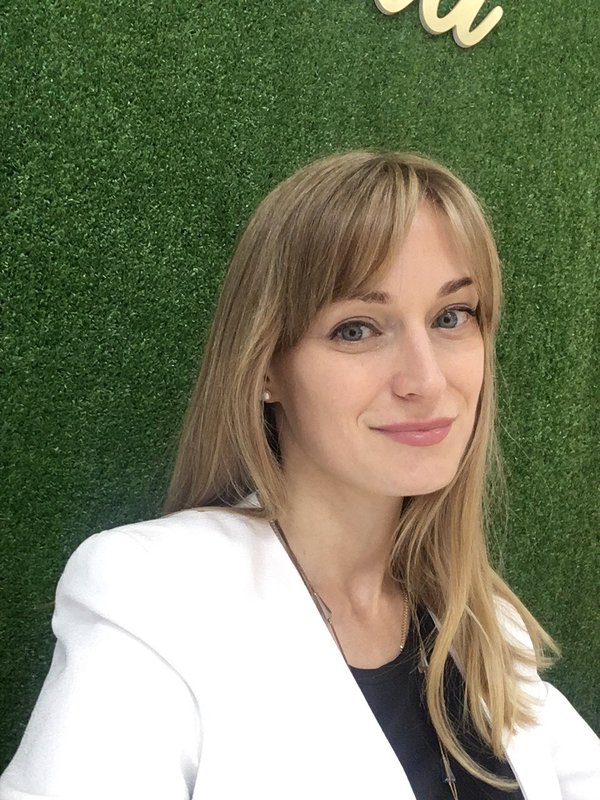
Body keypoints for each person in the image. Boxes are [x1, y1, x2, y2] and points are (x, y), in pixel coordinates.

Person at [1, 151, 598, 800]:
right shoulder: (154, 595)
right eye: (357, 329)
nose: (426, 381)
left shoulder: (482, 624)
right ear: (265, 368)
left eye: (451, 317)